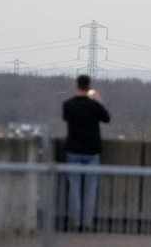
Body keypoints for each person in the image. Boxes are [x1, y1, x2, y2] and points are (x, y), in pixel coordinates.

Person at [62, 75, 110, 231]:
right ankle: (87, 223)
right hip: (92, 150)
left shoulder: (68, 105)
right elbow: (106, 118)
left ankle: (75, 222)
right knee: (91, 189)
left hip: (73, 149)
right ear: (89, 86)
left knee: (74, 188)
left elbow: (66, 118)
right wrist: (97, 101)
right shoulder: (94, 106)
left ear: (76, 85)